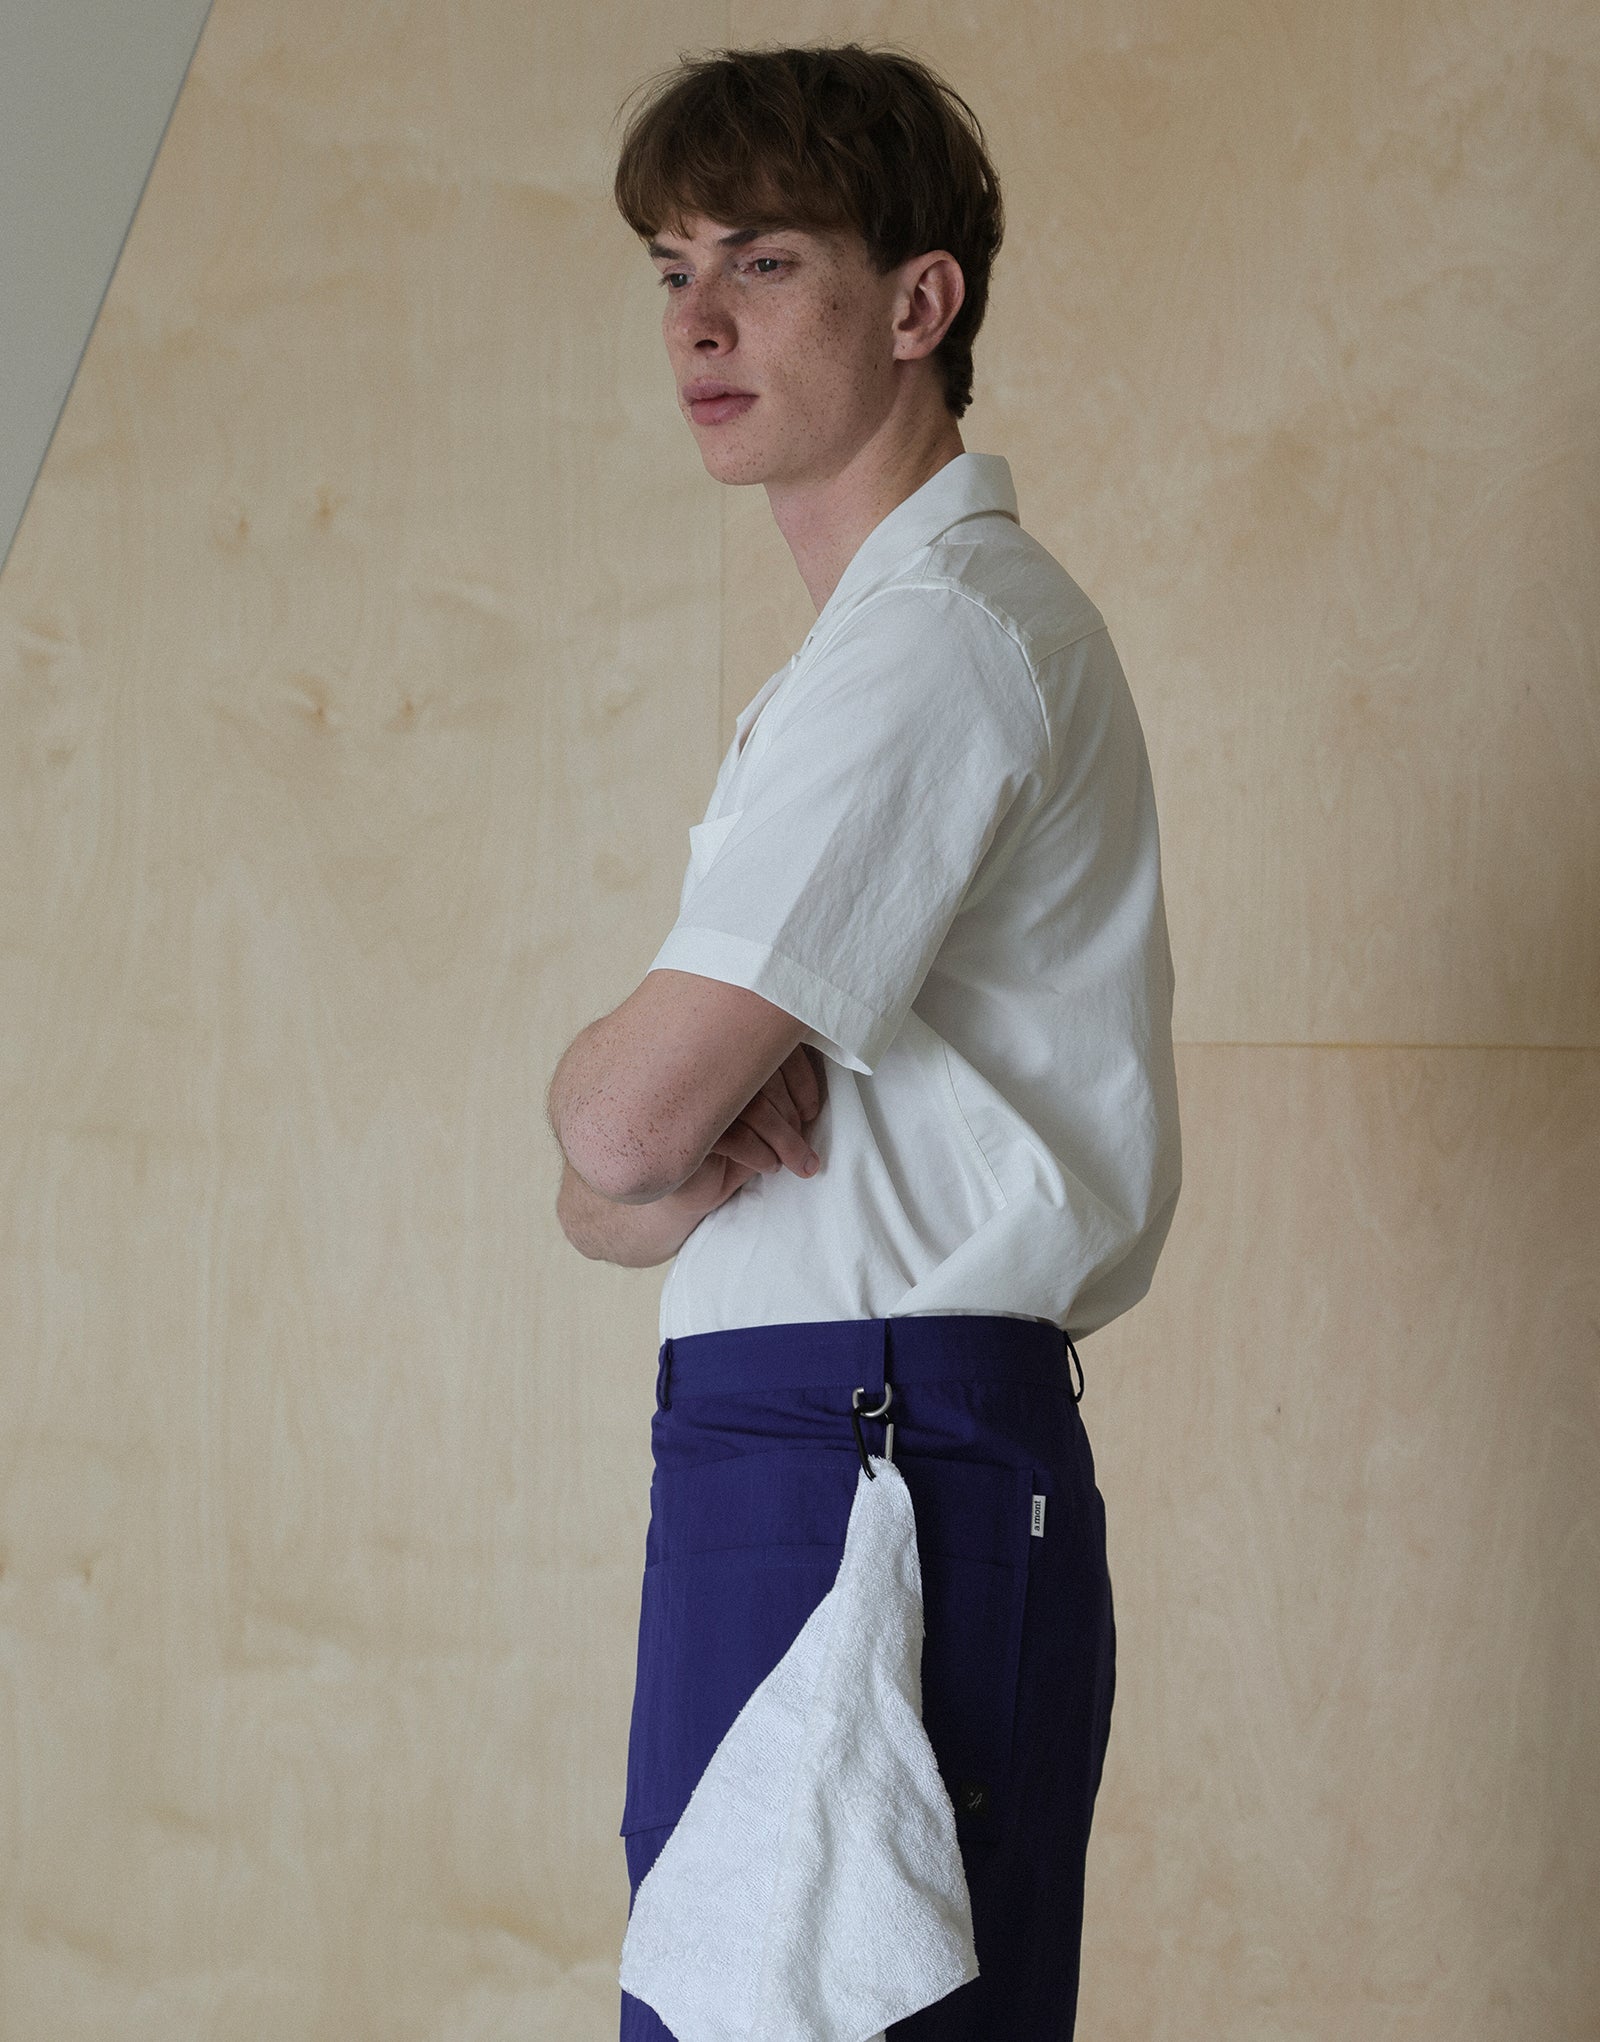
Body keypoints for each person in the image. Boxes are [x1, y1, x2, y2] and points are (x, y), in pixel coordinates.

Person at [545, 39, 1182, 2040]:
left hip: (869, 1450)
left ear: (918, 303)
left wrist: (624, 1126)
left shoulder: (937, 639)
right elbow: (615, 1191)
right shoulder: (874, 646)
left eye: (762, 260)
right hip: (820, 1438)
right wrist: (635, 1149)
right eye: (670, 270)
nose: (697, 322)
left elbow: (619, 1133)